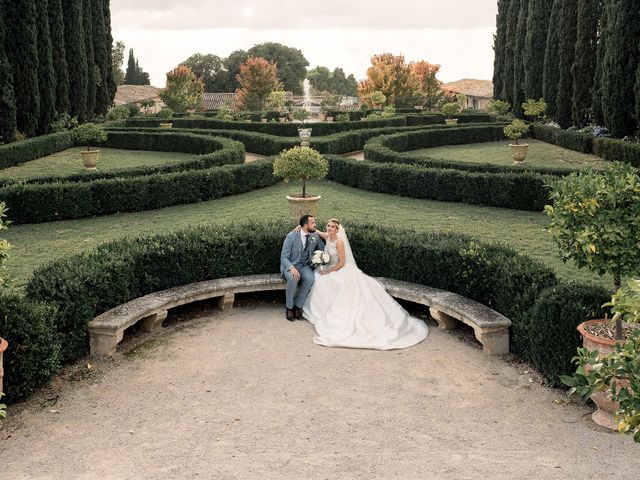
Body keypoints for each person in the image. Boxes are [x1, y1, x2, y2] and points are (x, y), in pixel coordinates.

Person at [302, 219, 429, 350]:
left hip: (341, 269)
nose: (329, 228)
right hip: (330, 266)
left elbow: (342, 263)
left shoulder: (339, 242)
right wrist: (301, 227)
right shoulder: (328, 237)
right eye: (328, 226)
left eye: (332, 227)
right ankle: (322, 308)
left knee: (330, 281)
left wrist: (329, 271)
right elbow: (316, 231)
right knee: (319, 279)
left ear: (337, 230)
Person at [280, 215, 324, 321]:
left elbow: (323, 249)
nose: (315, 225)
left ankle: (298, 306)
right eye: (313, 223)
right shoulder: (291, 236)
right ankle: (289, 308)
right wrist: (291, 268)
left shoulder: (315, 236)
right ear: (305, 225)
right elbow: (284, 257)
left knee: (309, 279)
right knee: (293, 278)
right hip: (290, 264)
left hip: (304, 265)